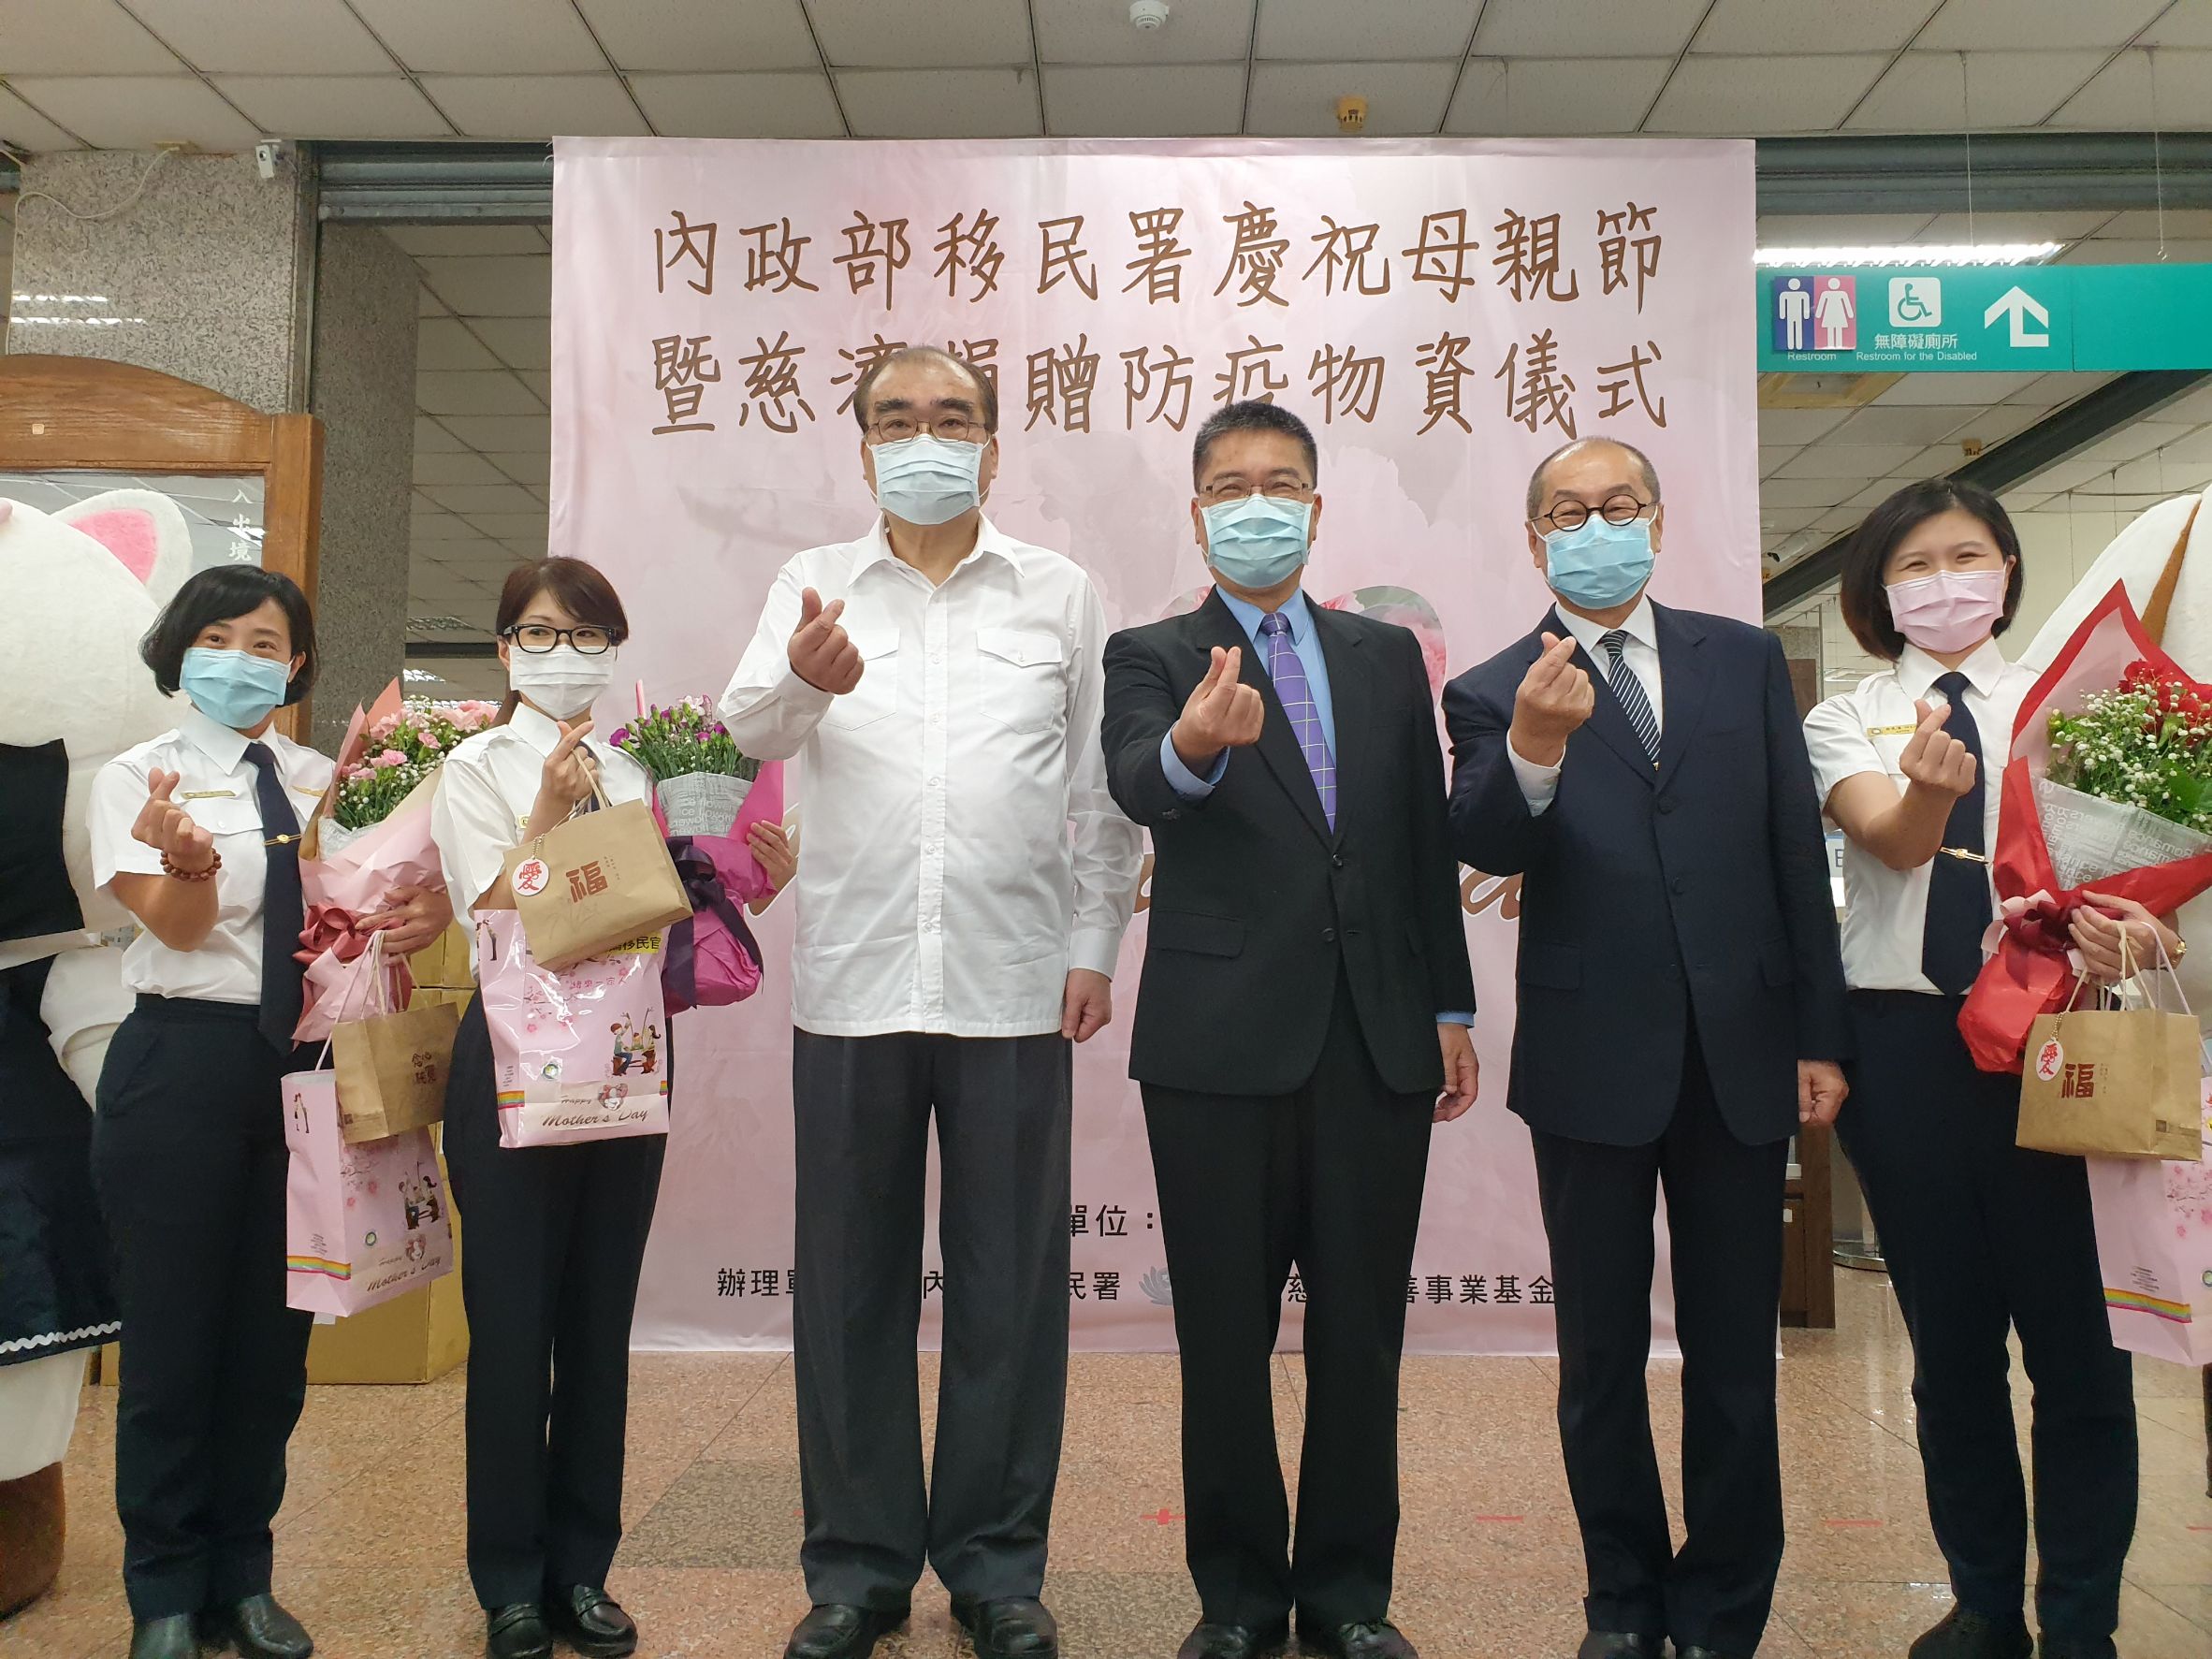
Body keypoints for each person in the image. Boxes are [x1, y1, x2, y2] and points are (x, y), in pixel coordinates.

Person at [720, 346, 1142, 1659]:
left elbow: (1098, 791)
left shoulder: (1061, 594)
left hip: (1015, 982)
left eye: (951, 417)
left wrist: (1095, 940)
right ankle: (854, 1566)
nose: (925, 437)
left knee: (1012, 1286)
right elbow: (744, 734)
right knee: (848, 1285)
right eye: (896, 418)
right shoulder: (813, 585)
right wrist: (805, 679)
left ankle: (997, 1565)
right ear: (861, 448)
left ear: (994, 447)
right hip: (855, 985)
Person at [1443, 438, 1850, 1659]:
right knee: (1602, 1359)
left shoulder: (1743, 657)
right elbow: (1481, 842)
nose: (1596, 524)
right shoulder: (1494, 685)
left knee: (1737, 1357)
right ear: (1535, 541)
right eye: (1569, 511)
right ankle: (1621, 1603)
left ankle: (1724, 1607)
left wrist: (1818, 1032)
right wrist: (1533, 746)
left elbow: (1791, 852)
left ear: (1657, 518)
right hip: (1589, 1063)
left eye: (1618, 505)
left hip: (1742, 1055)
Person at [1099, 400, 1479, 1659]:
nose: (1255, 503)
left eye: (1279, 483)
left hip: (1375, 1036)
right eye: (1229, 485)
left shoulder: (1381, 655)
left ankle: (1350, 1596)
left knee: (1363, 1333)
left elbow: (1422, 844)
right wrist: (1198, 749)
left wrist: (1449, 1006)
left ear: (1315, 508)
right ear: (1199, 510)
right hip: (1216, 1046)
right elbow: (1139, 779)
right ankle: (1242, 1600)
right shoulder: (1150, 652)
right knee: (1225, 1333)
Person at [1803, 481, 2162, 1659]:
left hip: (2065, 1045)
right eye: (1915, 565)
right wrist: (1927, 784)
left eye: (1967, 556)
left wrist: (2136, 928)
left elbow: (2150, 871)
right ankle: (1984, 1608)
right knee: (1950, 1352)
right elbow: (1895, 840)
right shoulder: (1848, 716)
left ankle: (2083, 1621)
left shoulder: (2089, 704)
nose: (1944, 583)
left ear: (2008, 569)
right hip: (1910, 1056)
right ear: (1880, 592)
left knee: (2081, 1354)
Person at [88, 567, 449, 1659]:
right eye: (219, 637)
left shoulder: (327, 782)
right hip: (178, 1069)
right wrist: (188, 868)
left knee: (270, 1345)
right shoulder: (136, 776)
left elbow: (361, 921)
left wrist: (417, 916)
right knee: (170, 1343)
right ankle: (160, 1591)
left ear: (294, 665)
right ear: (181, 650)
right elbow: (185, 933)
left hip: (307, 1071)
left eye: (265, 643)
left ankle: (244, 1574)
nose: (241, 659)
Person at [430, 558, 692, 1659]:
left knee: (596, 1328)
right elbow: (491, 916)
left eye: (588, 634)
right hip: (509, 1063)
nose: (565, 653)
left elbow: (651, 922)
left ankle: (584, 1570)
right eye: (539, 634)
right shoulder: (472, 768)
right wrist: (543, 814)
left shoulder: (637, 771)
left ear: (616, 649)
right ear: (503, 649)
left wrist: (738, 879)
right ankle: (511, 1582)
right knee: (512, 1330)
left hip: (625, 1062)